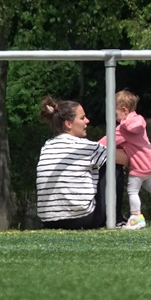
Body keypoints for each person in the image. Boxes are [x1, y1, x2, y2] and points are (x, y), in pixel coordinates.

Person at [36, 96, 125, 229]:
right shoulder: (85, 147)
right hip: (82, 218)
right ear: (69, 124)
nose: (87, 121)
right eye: (82, 118)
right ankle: (116, 219)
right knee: (113, 164)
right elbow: (125, 159)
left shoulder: (47, 146)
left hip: (49, 220)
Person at [98, 90, 151, 229]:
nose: (115, 118)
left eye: (115, 114)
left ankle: (136, 217)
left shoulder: (122, 129)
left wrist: (91, 147)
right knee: (149, 184)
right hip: (150, 162)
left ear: (124, 110)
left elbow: (105, 142)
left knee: (132, 191)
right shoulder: (140, 121)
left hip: (138, 165)